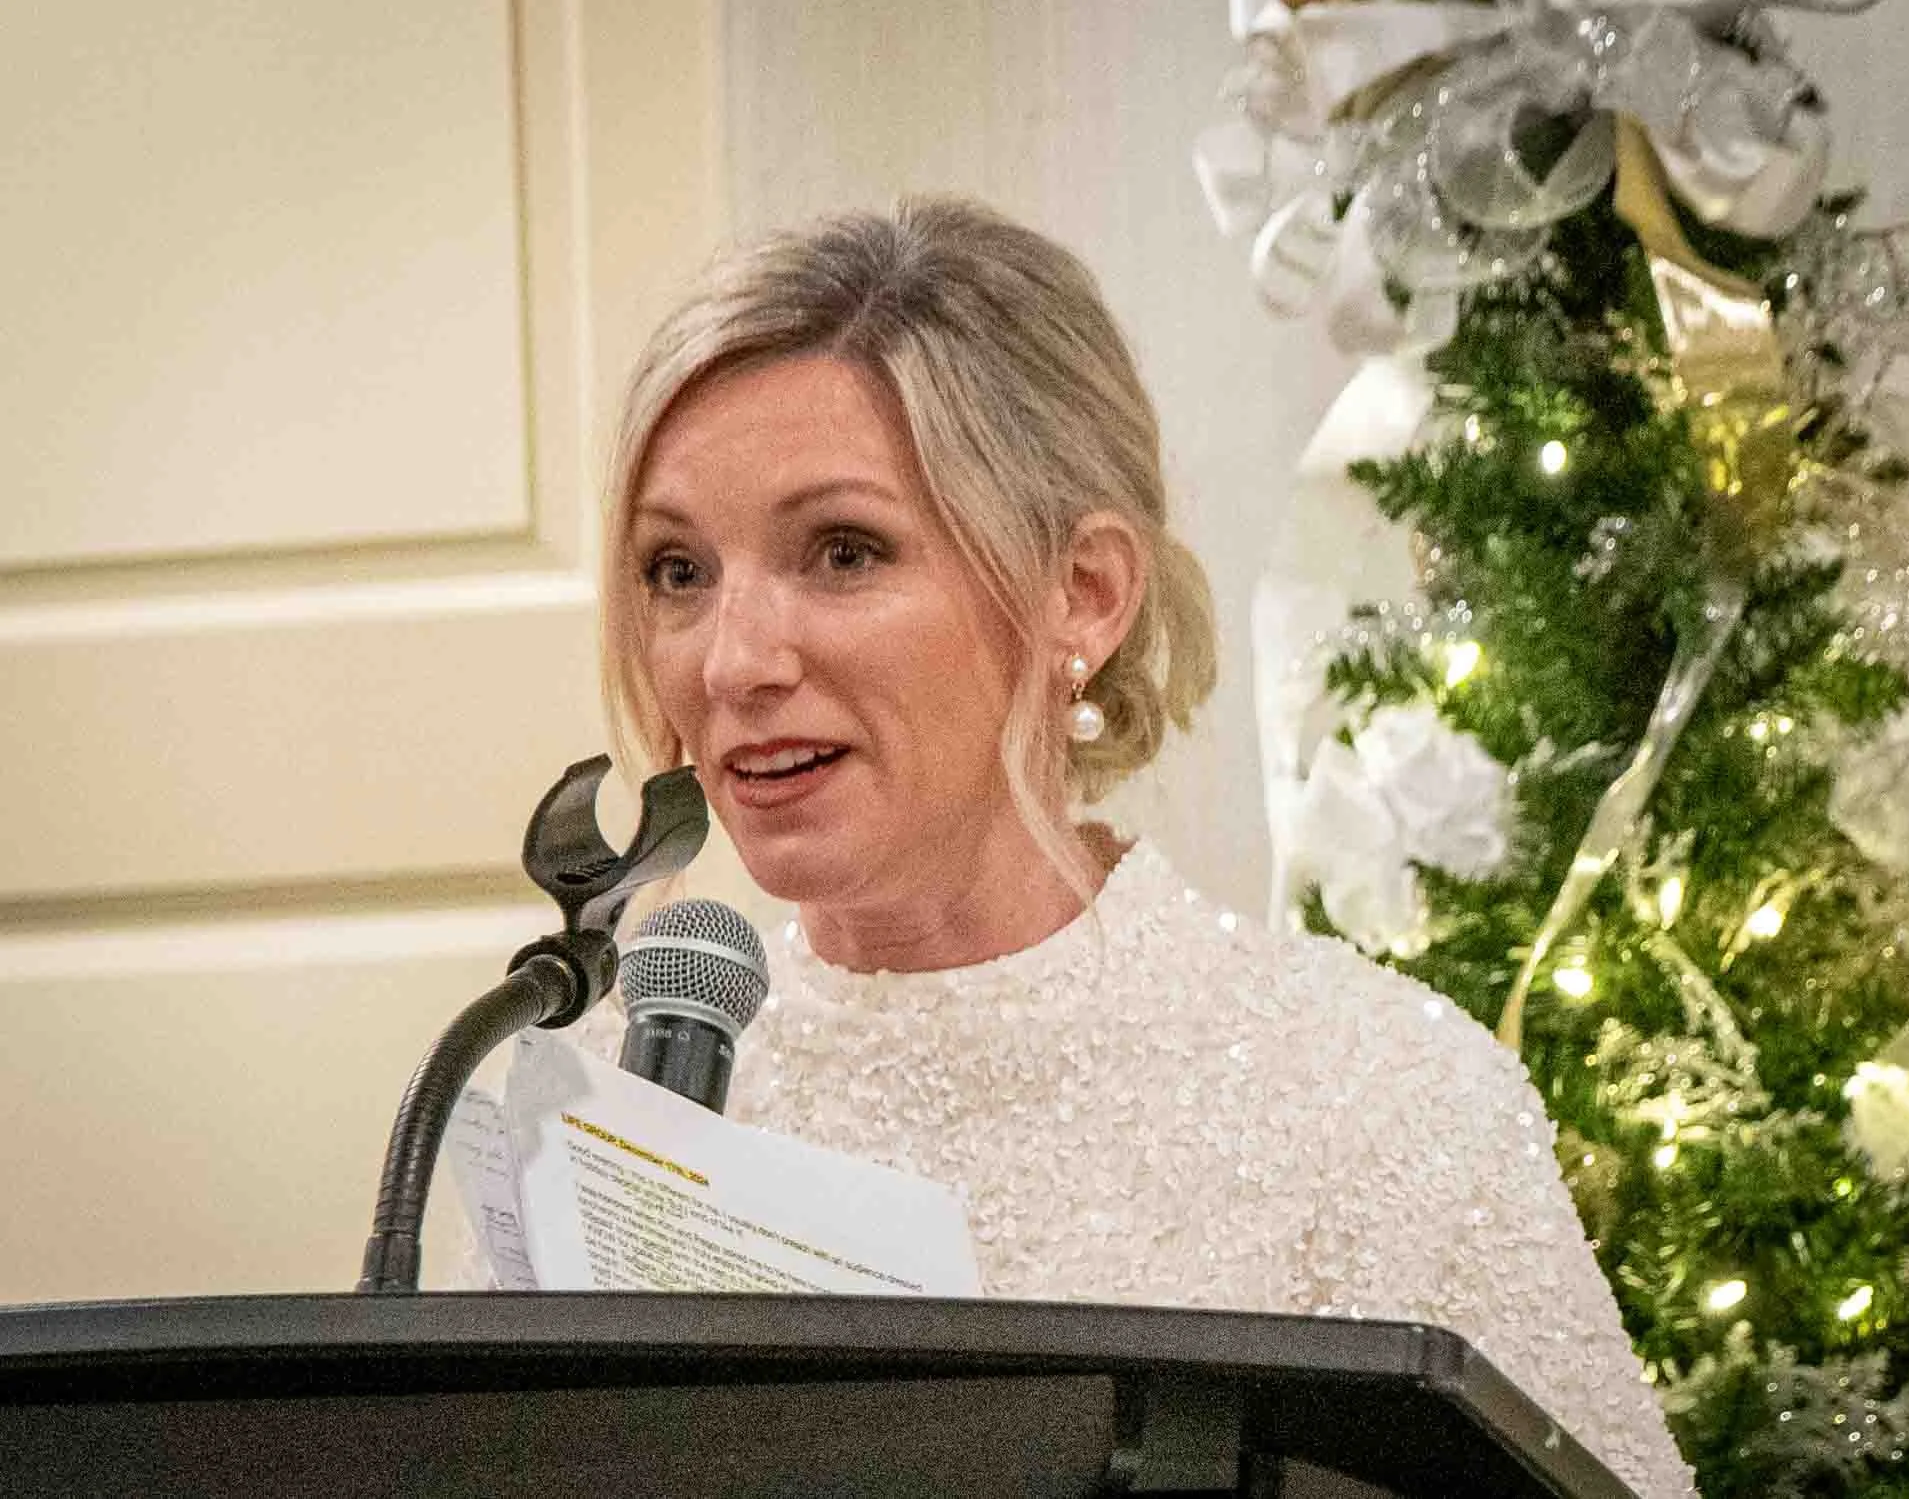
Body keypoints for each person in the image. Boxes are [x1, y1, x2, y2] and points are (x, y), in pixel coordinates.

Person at [580, 196, 1695, 1496]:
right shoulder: (608, 1095)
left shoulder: (1373, 1097)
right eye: (677, 571)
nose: (734, 661)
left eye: (842, 551)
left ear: (1084, 594)